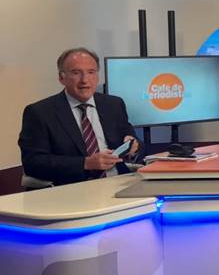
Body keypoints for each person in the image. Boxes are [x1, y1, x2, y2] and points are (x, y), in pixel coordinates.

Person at [18, 47, 139, 186]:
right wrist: (85, 163)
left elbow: (134, 141)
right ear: (62, 78)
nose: (84, 80)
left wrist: (134, 147)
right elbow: (33, 163)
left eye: (91, 72)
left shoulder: (113, 104)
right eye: (76, 73)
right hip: (73, 189)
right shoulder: (40, 112)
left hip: (119, 183)